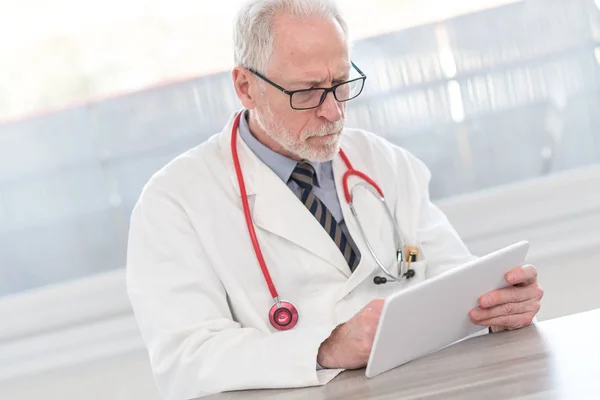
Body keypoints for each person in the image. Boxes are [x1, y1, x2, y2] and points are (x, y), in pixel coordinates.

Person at [125, 0, 544, 399]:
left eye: (341, 83)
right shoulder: (174, 203)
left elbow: (443, 270)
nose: (334, 112)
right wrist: (325, 348)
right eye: (306, 92)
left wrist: (494, 307)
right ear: (246, 87)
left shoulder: (382, 163)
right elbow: (185, 362)